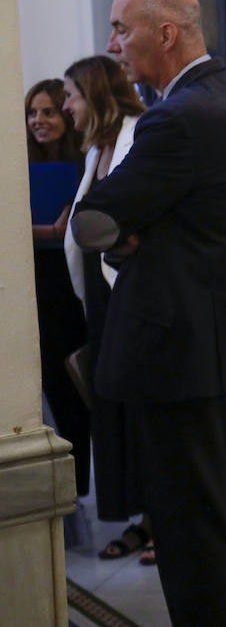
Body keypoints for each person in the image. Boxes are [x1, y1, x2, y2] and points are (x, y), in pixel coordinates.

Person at [70, 0, 226, 627]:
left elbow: (93, 215)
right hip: (222, 344)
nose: (113, 44)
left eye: (121, 29)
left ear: (165, 33)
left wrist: (126, 241)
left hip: (177, 351)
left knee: (191, 531)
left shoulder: (174, 118)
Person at [60, 57, 151, 562]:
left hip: (132, 291)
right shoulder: (95, 148)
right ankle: (141, 515)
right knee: (115, 407)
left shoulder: (140, 134)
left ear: (93, 94)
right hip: (101, 292)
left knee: (141, 408)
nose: (68, 103)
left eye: (71, 94)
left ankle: (160, 517)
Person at [26, 80, 89, 518]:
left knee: (76, 386)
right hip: (35, 284)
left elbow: (68, 232)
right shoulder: (18, 167)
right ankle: (71, 489)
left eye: (49, 111)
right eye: (33, 112)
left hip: (71, 286)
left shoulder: (82, 165)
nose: (39, 121)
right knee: (51, 383)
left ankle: (83, 485)